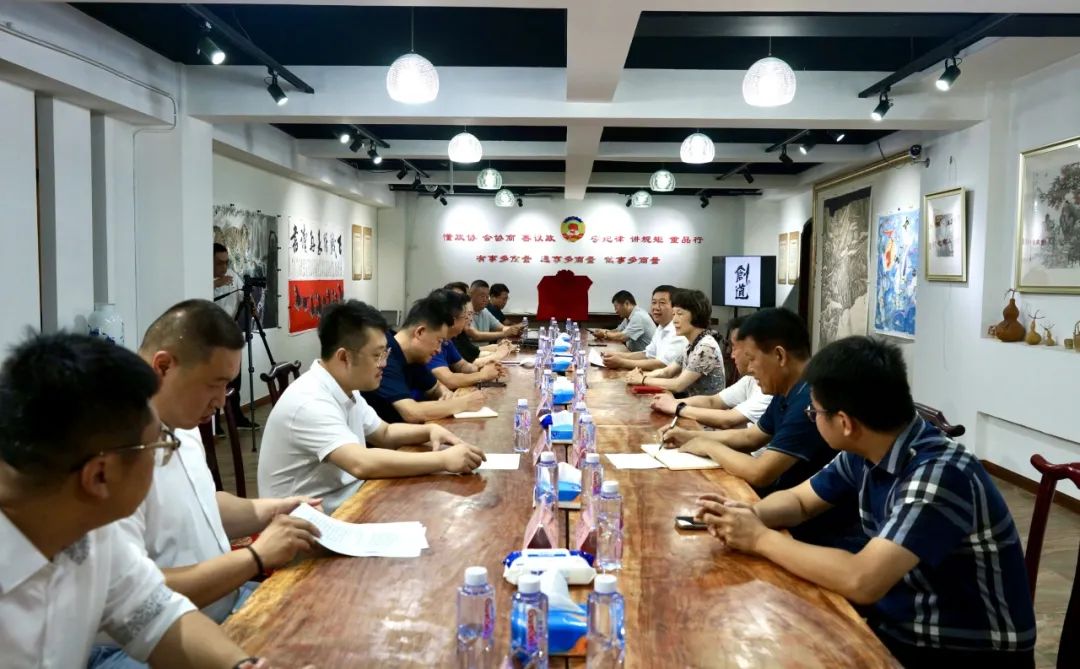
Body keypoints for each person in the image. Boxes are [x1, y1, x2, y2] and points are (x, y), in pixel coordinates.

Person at [695, 336, 1036, 668]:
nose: (812, 417)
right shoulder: (867, 448)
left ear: (844, 422)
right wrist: (748, 515)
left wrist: (759, 538)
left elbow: (862, 580)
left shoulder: (940, 474)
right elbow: (801, 501)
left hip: (962, 651)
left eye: (815, 412)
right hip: (901, 622)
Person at [0, 333, 270, 668]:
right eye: (159, 446)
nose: (166, 454)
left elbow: (156, 615)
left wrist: (240, 665)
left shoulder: (91, 531)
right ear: (100, 476)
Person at [88, 300, 324, 669]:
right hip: (130, 648)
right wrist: (254, 557)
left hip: (217, 606)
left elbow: (199, 503)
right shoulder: (113, 449)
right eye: (215, 385)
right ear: (163, 367)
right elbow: (137, 603)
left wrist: (272, 510)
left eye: (228, 386)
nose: (220, 401)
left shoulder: (181, 422)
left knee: (325, 621)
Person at [258, 300, 486, 513]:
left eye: (385, 353)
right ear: (344, 357)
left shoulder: (346, 387)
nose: (384, 363)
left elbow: (384, 433)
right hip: (307, 523)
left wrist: (428, 430)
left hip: (346, 500)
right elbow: (361, 463)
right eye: (377, 355)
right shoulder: (310, 401)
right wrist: (443, 460)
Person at [673, 308, 857, 547]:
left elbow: (761, 473)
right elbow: (752, 437)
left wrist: (708, 445)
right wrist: (691, 436)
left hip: (813, 530)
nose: (749, 369)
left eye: (752, 359)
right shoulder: (786, 389)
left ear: (779, 356)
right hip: (785, 508)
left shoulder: (809, 401)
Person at [362, 295, 487, 424]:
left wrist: (445, 395)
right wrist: (463, 403)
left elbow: (436, 388)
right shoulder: (385, 356)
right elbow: (411, 412)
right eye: (439, 341)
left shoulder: (414, 356)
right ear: (420, 332)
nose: (439, 350)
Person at [652, 316, 772, 431]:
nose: (732, 354)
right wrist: (674, 403)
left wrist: (677, 407)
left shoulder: (706, 346)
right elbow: (713, 401)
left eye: (679, 313)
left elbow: (728, 421)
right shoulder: (750, 379)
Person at [627, 289, 723, 397]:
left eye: (679, 314)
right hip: (688, 402)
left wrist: (643, 379)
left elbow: (678, 385)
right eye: (673, 314)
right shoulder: (693, 343)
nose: (674, 320)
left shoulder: (705, 347)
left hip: (699, 406)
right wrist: (641, 375)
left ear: (696, 315)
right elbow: (667, 372)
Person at [212, 242, 258, 432]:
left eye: (226, 262)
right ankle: (214, 424)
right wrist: (214, 284)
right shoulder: (200, 277)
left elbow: (243, 295)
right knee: (215, 379)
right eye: (219, 263)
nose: (224, 267)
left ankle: (236, 417)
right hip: (212, 336)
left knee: (234, 379)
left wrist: (252, 304)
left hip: (231, 332)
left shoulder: (232, 275)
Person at [428, 290, 509, 390]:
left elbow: (463, 366)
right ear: (452, 319)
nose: (469, 319)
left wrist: (482, 368)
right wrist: (483, 375)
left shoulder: (447, 341)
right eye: (466, 315)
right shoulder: (431, 341)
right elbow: (448, 380)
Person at [601, 285, 686, 371]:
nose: (656, 307)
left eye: (662, 303)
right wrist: (617, 355)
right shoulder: (661, 327)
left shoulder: (679, 331)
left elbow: (663, 364)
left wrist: (622, 362)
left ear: (675, 307)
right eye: (654, 302)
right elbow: (647, 354)